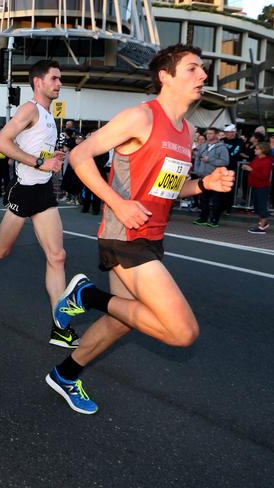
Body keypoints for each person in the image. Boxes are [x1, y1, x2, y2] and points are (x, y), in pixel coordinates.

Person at [49, 44, 234, 414]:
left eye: (203, 69)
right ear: (165, 77)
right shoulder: (141, 117)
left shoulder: (186, 131)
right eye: (193, 69)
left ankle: (65, 374)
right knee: (182, 332)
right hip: (124, 235)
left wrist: (203, 185)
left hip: (151, 235)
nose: (203, 76)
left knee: (123, 322)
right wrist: (116, 202)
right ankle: (86, 297)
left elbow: (168, 187)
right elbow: (79, 156)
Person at [0, 60, 76, 348]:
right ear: (38, 82)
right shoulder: (29, 109)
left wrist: (51, 159)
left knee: (57, 257)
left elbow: (36, 150)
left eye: (60, 79)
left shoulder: (48, 114)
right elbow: (2, 144)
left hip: (43, 191)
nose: (59, 84)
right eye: (54, 79)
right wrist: (40, 162)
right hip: (24, 191)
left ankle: (60, 326)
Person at [192, 127, 229, 228]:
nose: (208, 135)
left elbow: (225, 161)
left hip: (216, 178)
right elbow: (197, 159)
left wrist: (210, 160)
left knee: (216, 200)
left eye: (211, 133)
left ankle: (214, 220)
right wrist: (197, 171)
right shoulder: (203, 146)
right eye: (207, 133)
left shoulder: (222, 147)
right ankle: (203, 218)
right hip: (204, 177)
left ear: (216, 135)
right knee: (203, 199)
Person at [242, 141, 273, 234]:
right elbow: (253, 167)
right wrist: (247, 167)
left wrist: (251, 169)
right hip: (255, 186)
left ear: (263, 150)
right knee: (257, 206)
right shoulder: (257, 159)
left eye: (257, 148)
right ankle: (264, 223)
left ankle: (262, 227)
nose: (255, 150)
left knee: (261, 206)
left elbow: (264, 176)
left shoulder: (267, 161)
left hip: (262, 187)